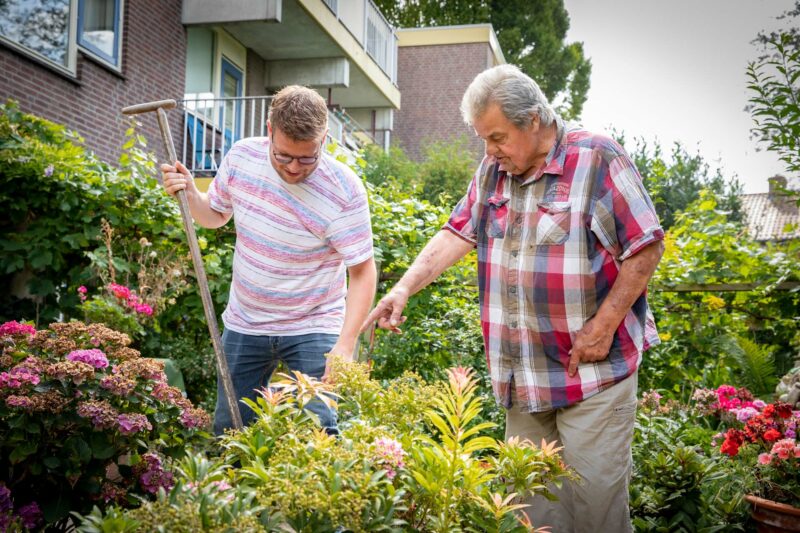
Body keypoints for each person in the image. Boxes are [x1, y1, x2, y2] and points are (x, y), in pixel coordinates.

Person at [362, 64, 664, 532]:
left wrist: (603, 327)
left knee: (594, 512)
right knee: (531, 517)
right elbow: (456, 233)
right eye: (484, 139)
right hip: (523, 381)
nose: (489, 150)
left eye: (498, 137)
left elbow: (645, 245)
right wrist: (402, 287)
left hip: (592, 376)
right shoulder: (493, 172)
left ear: (534, 121)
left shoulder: (597, 158)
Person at [161, 85, 376, 435]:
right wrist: (189, 192)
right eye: (283, 156)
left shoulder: (344, 189)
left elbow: (363, 272)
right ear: (269, 130)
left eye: (307, 158)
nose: (294, 168)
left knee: (318, 430)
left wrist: (346, 343)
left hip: (314, 322)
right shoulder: (242, 157)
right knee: (230, 430)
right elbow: (214, 214)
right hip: (247, 321)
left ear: (324, 137)